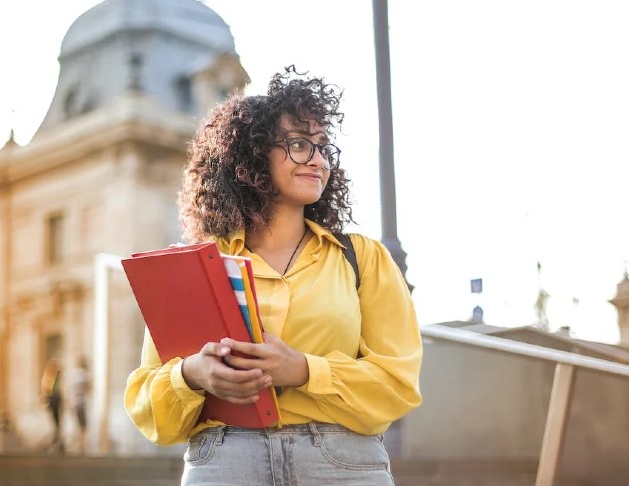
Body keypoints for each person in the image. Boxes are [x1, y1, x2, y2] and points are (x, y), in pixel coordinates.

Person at [124, 66, 422, 485]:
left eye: (323, 147)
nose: (318, 159)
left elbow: (398, 383)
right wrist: (192, 374)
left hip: (343, 464)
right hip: (226, 461)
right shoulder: (194, 266)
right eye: (299, 144)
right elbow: (149, 405)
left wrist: (302, 370)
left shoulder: (362, 259)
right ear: (252, 155)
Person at [40, 358, 64, 453]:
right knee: (56, 421)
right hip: (54, 399)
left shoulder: (51, 377)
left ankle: (56, 439)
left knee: (56, 421)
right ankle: (56, 439)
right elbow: (47, 390)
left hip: (54, 399)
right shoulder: (51, 378)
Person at [70, 356, 91, 454]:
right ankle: (82, 446)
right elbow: (89, 388)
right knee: (83, 426)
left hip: (74, 402)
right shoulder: (84, 375)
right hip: (81, 403)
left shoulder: (74, 374)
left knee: (77, 424)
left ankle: (78, 445)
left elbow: (71, 390)